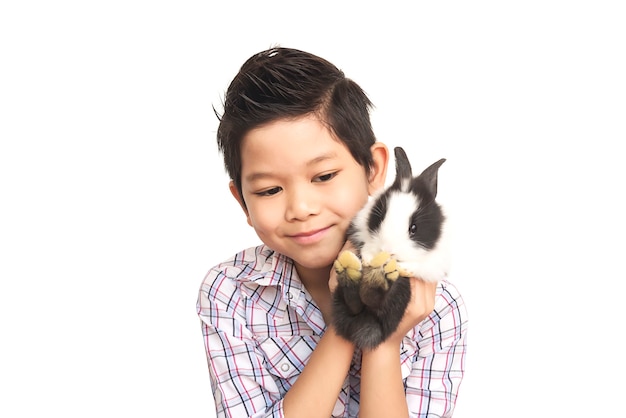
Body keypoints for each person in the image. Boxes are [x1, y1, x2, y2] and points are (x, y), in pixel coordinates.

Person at [197, 46, 468, 418]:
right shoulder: (232, 294)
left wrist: (384, 341)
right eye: (268, 190)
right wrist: (351, 318)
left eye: (324, 176)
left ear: (373, 169)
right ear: (242, 202)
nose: (301, 208)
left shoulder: (435, 309)